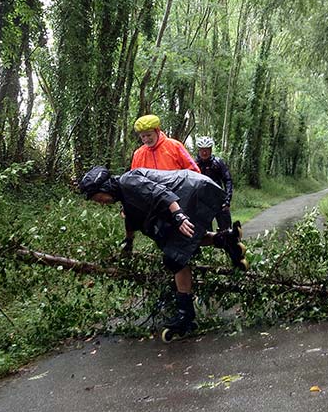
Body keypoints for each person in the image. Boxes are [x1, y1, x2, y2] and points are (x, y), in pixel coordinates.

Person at [78, 165, 247, 340]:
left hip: (191, 192)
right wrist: (128, 241)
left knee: (174, 257)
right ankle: (227, 239)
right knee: (184, 239)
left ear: (105, 188)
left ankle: (185, 316)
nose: (101, 202)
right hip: (195, 187)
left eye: (99, 198)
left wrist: (179, 215)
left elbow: (159, 192)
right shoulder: (124, 191)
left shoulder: (128, 182)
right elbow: (131, 219)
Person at [131, 114, 200, 173]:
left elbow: (194, 171)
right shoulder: (138, 154)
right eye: (143, 136)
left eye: (149, 135)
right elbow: (134, 179)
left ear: (157, 131)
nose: (146, 139)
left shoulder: (175, 146)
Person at [194, 136, 234, 231]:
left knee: (226, 229)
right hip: (202, 201)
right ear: (198, 150)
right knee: (204, 232)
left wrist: (227, 200)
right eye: (202, 150)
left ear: (211, 150)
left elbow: (228, 180)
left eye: (207, 150)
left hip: (218, 198)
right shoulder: (194, 164)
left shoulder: (218, 163)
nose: (204, 152)